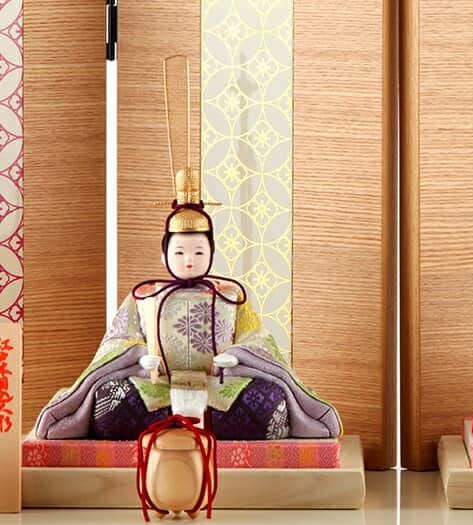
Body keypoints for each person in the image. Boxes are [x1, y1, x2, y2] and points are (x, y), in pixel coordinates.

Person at [34, 168, 341, 441]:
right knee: (110, 403)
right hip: (157, 386)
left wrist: (237, 357)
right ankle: (193, 424)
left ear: (212, 252)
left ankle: (178, 425)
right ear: (164, 254)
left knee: (269, 402)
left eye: (198, 252)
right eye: (180, 252)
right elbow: (118, 339)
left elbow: (257, 339)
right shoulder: (145, 295)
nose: (189, 260)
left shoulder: (230, 295)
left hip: (218, 386)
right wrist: (139, 358)